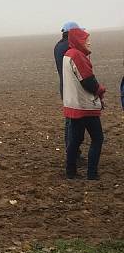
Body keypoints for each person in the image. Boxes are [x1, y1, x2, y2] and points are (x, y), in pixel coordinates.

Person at [62, 27, 105, 180]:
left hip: (73, 105)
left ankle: (70, 171)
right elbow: (88, 81)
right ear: (79, 41)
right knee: (97, 138)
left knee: (75, 140)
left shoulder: (67, 54)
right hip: (85, 106)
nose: (89, 43)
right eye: (87, 40)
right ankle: (92, 174)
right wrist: (100, 90)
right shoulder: (77, 56)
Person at [54, 21, 82, 160]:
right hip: (72, 88)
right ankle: (72, 153)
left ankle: (72, 152)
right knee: (72, 121)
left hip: (64, 87)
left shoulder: (58, 46)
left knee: (70, 120)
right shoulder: (69, 47)